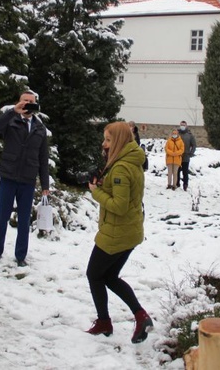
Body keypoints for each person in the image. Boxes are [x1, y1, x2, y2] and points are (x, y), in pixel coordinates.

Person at [85, 121, 153, 343]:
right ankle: (140, 316)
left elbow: (119, 206)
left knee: (94, 275)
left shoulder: (122, 167)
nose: (103, 144)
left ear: (119, 141)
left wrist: (96, 192)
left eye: (108, 140)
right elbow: (124, 194)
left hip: (117, 233)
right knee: (109, 277)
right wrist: (103, 184)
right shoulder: (130, 160)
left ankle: (105, 321)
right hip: (128, 232)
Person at [0, 91, 50, 267]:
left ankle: (21, 256)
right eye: (25, 101)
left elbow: (43, 158)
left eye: (31, 102)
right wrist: (13, 111)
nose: (28, 104)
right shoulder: (11, 120)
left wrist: (44, 184)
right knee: (2, 217)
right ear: (19, 102)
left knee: (24, 220)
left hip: (28, 179)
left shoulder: (39, 128)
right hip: (8, 176)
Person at [176, 121, 196, 191]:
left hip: (186, 156)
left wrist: (191, 153)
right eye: (181, 125)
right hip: (177, 156)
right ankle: (176, 183)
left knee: (185, 172)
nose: (182, 126)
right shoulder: (176, 134)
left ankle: (185, 184)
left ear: (186, 126)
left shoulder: (189, 135)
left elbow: (194, 145)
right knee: (177, 171)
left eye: (184, 125)